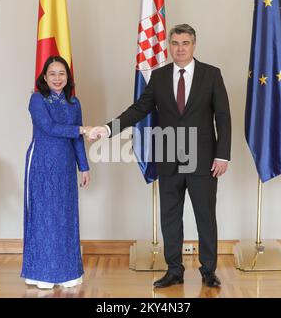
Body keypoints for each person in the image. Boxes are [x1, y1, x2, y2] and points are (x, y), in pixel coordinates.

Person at [89, 24, 231, 288]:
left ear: (194, 45)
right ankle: (174, 270)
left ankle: (208, 271)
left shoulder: (211, 75)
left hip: (203, 160)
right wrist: (108, 128)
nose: (180, 48)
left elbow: (223, 117)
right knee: (170, 217)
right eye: (175, 43)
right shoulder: (159, 76)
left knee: (205, 216)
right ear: (169, 45)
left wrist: (223, 155)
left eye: (185, 43)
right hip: (168, 159)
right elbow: (139, 109)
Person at [21, 55, 92, 289]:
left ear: (68, 77)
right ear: (44, 77)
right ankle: (41, 274)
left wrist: (84, 167)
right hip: (41, 163)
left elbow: (77, 139)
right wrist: (81, 128)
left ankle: (68, 272)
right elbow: (50, 128)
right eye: (52, 74)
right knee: (44, 216)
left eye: (62, 73)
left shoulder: (75, 103)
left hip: (65, 166)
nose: (57, 78)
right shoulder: (37, 100)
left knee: (65, 215)